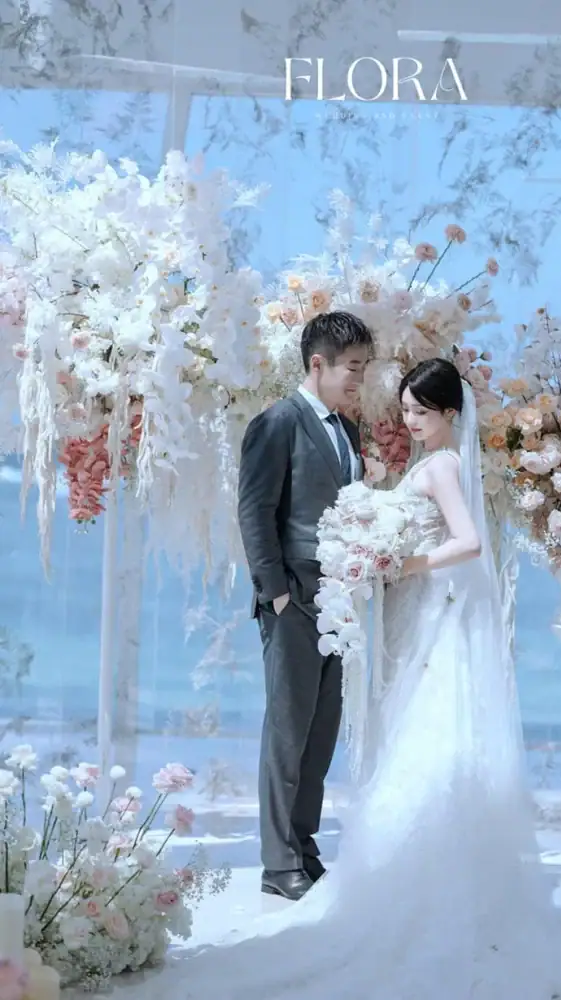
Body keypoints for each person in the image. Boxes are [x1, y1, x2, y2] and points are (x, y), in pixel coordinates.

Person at [129, 358, 561, 1000]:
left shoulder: (442, 465)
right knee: (398, 727)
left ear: (450, 413)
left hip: (425, 610)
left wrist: (402, 563)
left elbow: (469, 542)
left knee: (424, 730)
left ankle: (418, 870)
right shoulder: (427, 462)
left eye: (421, 411)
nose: (410, 420)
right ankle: (396, 863)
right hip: (405, 611)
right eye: (406, 410)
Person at [237, 310, 373, 902]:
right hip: (293, 601)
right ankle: (278, 863)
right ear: (318, 364)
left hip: (340, 603)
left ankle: (303, 847)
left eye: (364, 369)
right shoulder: (277, 422)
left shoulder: (348, 431)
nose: (359, 380)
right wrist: (277, 593)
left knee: (320, 733)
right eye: (352, 368)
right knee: (287, 732)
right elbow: (255, 510)